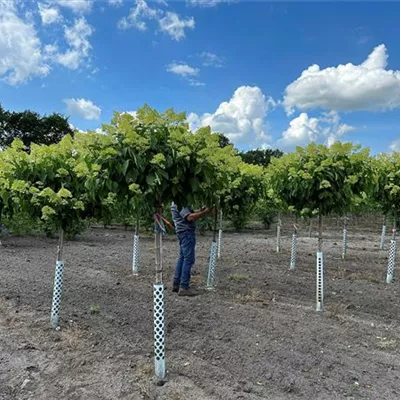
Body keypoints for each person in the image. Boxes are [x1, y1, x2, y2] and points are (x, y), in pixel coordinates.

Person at [171, 203, 212, 296]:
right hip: (186, 233)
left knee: (182, 258)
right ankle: (184, 287)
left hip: (183, 233)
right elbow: (189, 217)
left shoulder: (177, 202)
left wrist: (201, 210)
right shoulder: (180, 202)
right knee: (188, 259)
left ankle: (176, 284)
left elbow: (190, 212)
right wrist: (205, 212)